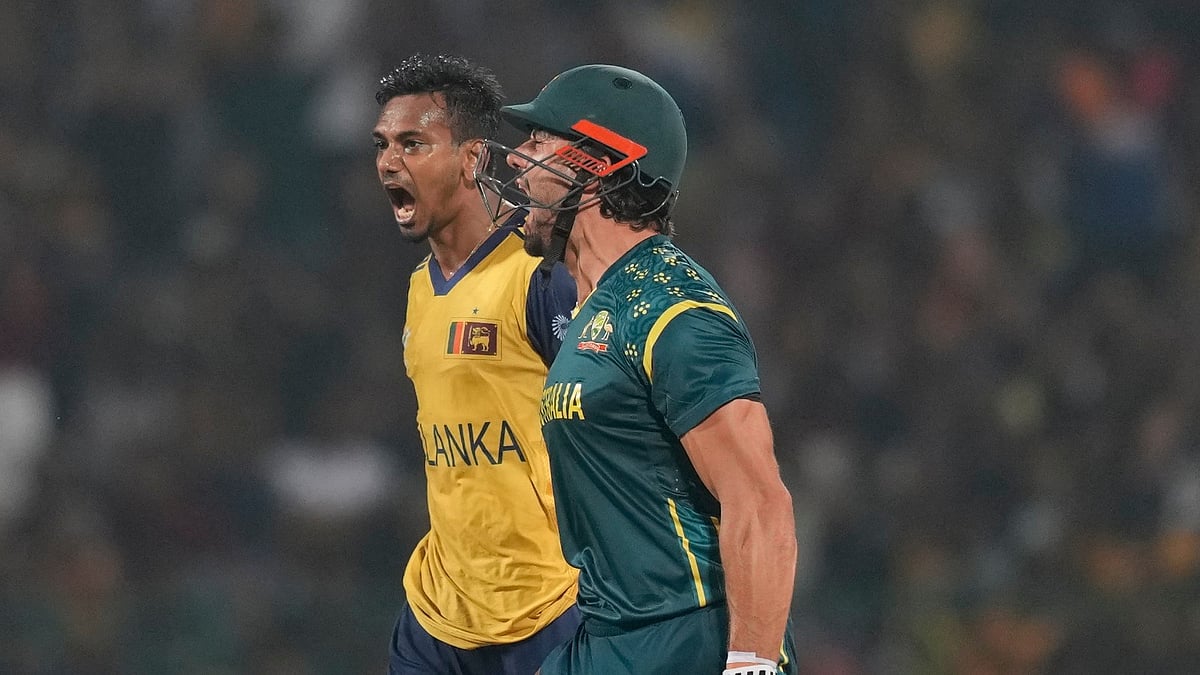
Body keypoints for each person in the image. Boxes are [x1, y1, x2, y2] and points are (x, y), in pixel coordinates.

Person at [475, 64, 798, 675]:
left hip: (685, 638)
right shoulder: (588, 308)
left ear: (603, 165)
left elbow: (759, 501)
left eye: (540, 142)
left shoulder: (673, 311)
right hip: (607, 638)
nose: (517, 160)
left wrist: (751, 665)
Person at [372, 53, 580, 675]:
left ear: (473, 158)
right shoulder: (416, 289)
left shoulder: (542, 272)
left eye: (414, 143)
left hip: (547, 608)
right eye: (383, 145)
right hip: (438, 614)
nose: (389, 162)